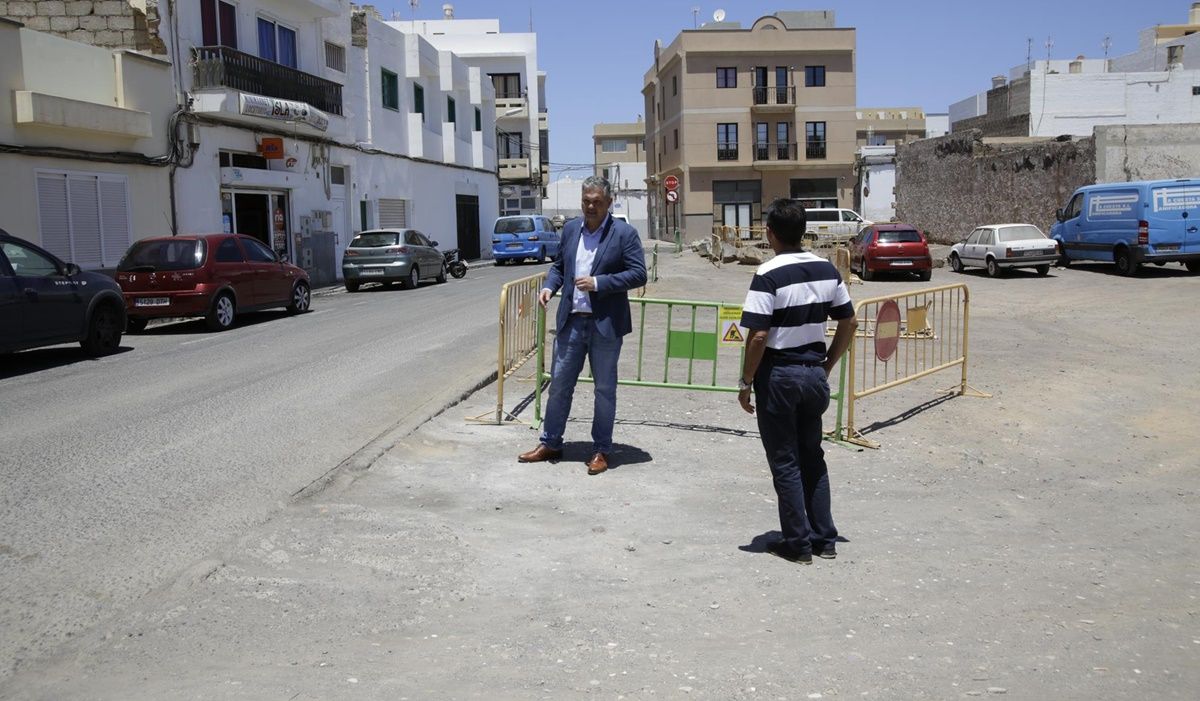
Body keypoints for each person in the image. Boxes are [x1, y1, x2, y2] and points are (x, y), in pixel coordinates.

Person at [737, 198, 858, 564]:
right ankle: (825, 539)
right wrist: (827, 366)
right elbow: (849, 322)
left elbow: (758, 336)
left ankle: (798, 543)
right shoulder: (826, 269)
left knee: (786, 462)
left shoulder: (768, 274)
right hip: (812, 374)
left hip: (779, 377)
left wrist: (745, 382)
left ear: (770, 233)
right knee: (813, 458)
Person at [518, 176, 647, 475]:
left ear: (609, 202)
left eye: (597, 202)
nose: (590, 206)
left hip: (605, 325)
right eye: (586, 201)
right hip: (571, 322)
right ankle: (550, 442)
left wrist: (599, 283)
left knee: (604, 390)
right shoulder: (571, 229)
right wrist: (550, 287)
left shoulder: (624, 233)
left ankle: (601, 449)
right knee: (559, 385)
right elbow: (559, 267)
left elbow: (638, 274)